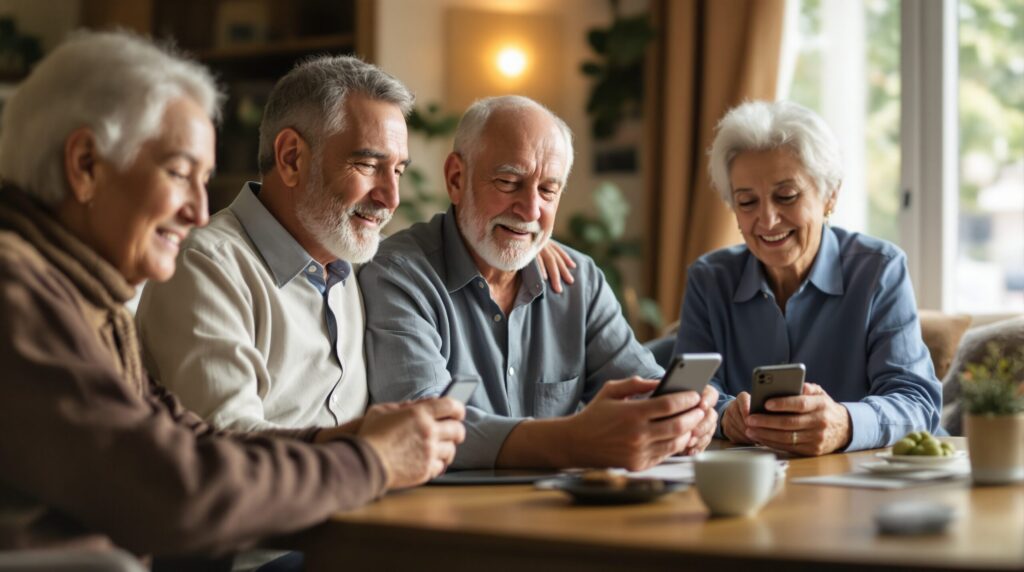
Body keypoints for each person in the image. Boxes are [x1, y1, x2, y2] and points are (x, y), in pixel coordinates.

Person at [0, 30, 465, 557]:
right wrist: (371, 461)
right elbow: (177, 493)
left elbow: (196, 442)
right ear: (86, 166)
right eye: (179, 174)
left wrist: (350, 442)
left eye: (204, 180)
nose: (199, 211)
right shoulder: (17, 295)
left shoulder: (82, 299)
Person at [135, 56, 574, 432]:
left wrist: (523, 244)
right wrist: (367, 450)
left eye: (397, 171)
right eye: (367, 165)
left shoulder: (365, 264)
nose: (390, 198)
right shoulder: (204, 266)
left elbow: (447, 252)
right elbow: (226, 445)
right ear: (291, 158)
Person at [360, 95, 718, 470]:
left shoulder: (578, 281)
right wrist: (576, 441)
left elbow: (642, 381)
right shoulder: (398, 275)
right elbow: (419, 429)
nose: (531, 210)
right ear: (456, 178)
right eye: (509, 182)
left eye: (548, 190)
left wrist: (684, 415)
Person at [673, 100, 941, 456]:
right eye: (747, 202)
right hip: (754, 478)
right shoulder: (709, 279)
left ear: (830, 195)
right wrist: (724, 417)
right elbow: (688, 395)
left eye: (786, 196)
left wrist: (845, 423)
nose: (768, 220)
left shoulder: (880, 269)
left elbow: (917, 402)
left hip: (861, 477)